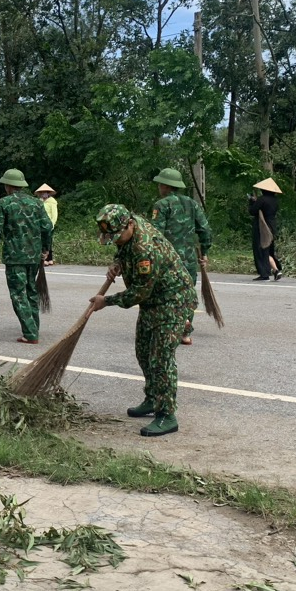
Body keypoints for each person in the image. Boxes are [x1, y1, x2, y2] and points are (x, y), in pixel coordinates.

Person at [88, 204, 196, 437]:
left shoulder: (145, 248)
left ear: (129, 225)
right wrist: (118, 261)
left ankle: (166, 415)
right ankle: (152, 398)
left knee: (160, 358)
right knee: (143, 351)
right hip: (154, 301)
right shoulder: (131, 223)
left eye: (117, 237)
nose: (115, 241)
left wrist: (105, 301)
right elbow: (124, 248)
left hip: (172, 300)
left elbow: (140, 292)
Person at [0, 169, 54, 344]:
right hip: (34, 257)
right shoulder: (37, 203)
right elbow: (47, 227)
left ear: (8, 186)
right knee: (31, 291)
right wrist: (46, 249)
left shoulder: (4, 203)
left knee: (18, 294)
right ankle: (34, 327)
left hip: (15, 256)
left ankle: (30, 333)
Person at [149, 168, 212, 344]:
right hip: (189, 260)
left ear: (164, 185)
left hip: (168, 261)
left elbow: (155, 235)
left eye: (160, 184)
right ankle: (185, 332)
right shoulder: (192, 203)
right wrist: (205, 252)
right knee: (187, 294)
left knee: (165, 294)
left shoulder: (161, 205)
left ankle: (168, 329)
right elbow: (205, 229)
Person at [248, 177, 283, 281]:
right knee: (268, 250)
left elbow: (253, 211)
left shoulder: (262, 199)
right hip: (272, 226)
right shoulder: (275, 201)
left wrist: (251, 202)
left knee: (261, 249)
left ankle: (264, 273)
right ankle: (276, 270)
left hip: (262, 227)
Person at [35, 183, 58, 265]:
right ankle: (44, 259)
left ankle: (49, 258)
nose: (43, 194)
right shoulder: (38, 202)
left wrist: (52, 224)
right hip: (40, 224)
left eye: (45, 192)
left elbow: (54, 214)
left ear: (48, 193)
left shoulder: (52, 202)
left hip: (49, 224)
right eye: (42, 193)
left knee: (49, 241)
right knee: (41, 241)